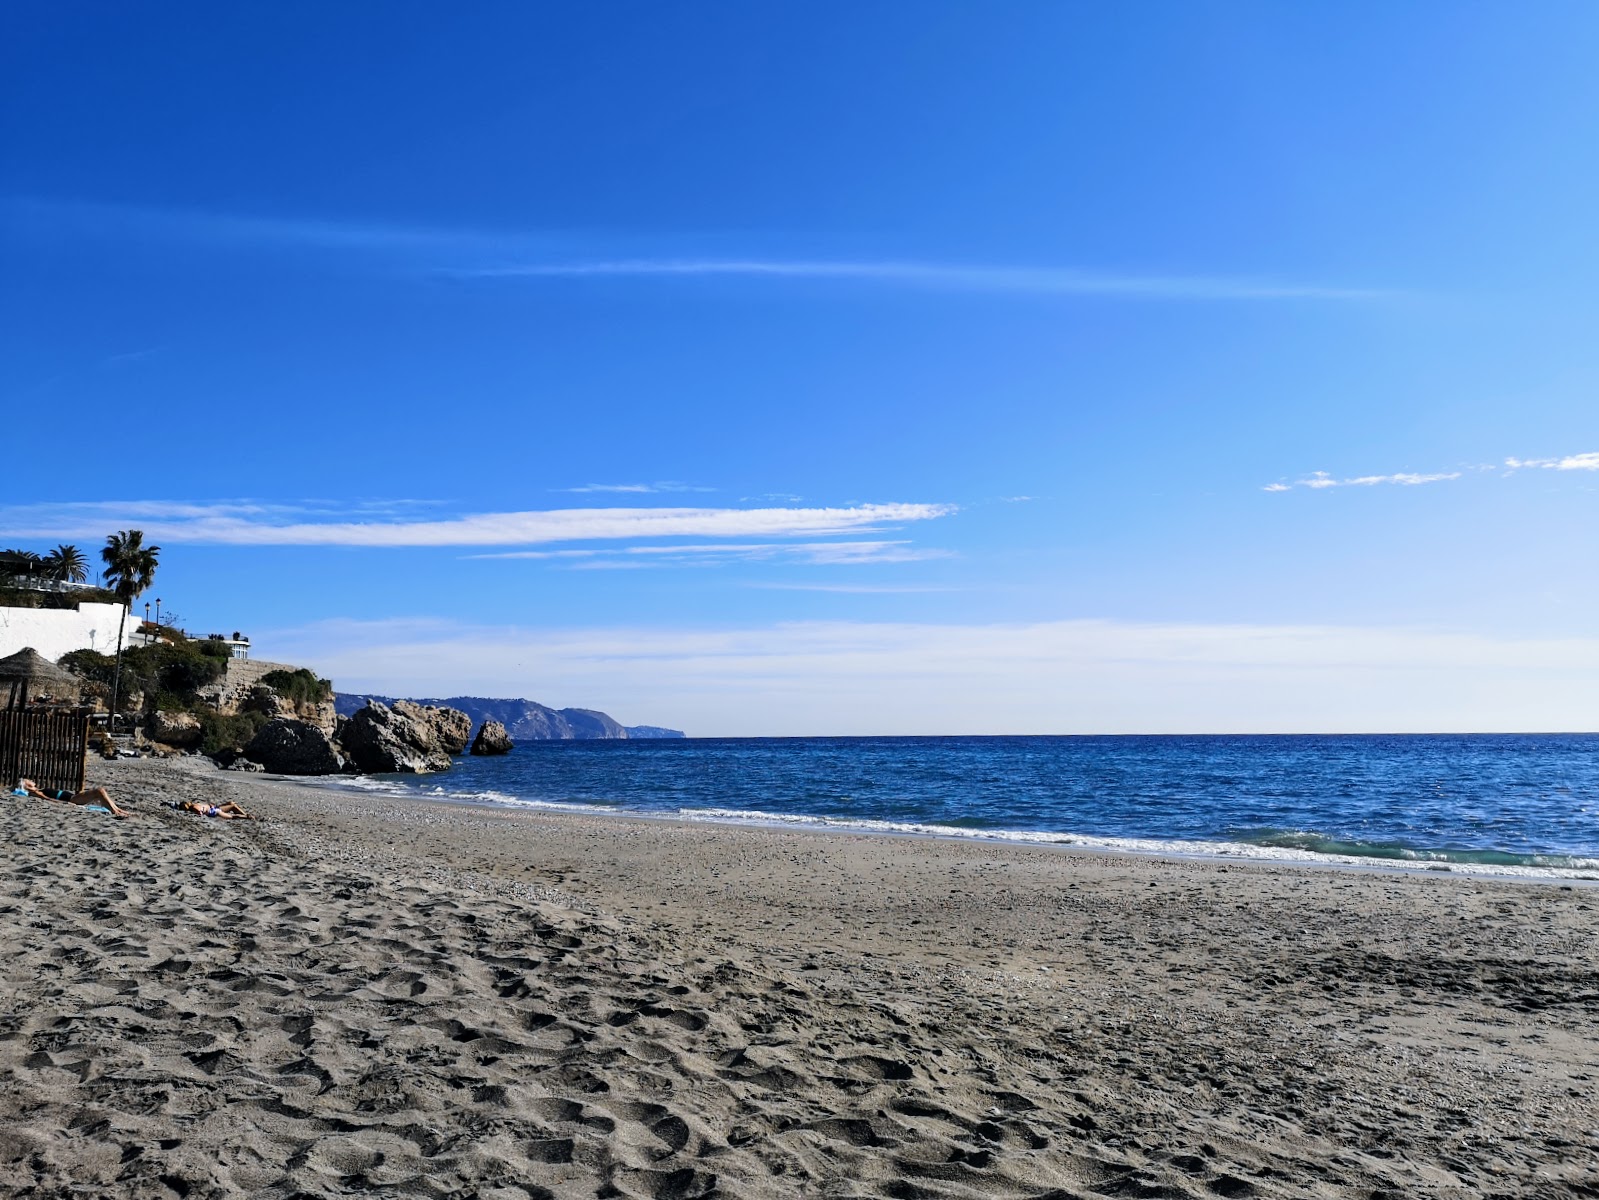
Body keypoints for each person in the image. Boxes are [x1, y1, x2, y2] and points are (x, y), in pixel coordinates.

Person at [14, 778, 134, 818]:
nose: (31, 780)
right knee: (99, 791)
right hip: (72, 799)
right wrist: (65, 804)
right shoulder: (36, 793)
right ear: (27, 785)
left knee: (100, 792)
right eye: (27, 780)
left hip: (73, 797)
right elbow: (48, 800)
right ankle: (116, 812)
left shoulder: (38, 790)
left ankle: (119, 811)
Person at [176, 799, 255, 821]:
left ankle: (247, 816)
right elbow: (200, 812)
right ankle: (246, 816)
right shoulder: (195, 804)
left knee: (233, 812)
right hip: (214, 809)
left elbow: (200, 813)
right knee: (233, 810)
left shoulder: (194, 807)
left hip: (214, 810)